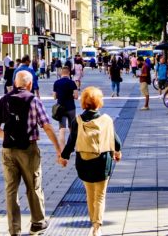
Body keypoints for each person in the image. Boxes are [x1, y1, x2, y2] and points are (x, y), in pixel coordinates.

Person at [0, 70, 62, 235]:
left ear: (15, 83)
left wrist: (7, 136)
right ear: (29, 84)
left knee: (11, 190)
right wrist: (58, 149)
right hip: (28, 149)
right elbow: (47, 127)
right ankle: (37, 223)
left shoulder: (4, 100)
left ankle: (14, 229)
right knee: (33, 186)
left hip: (8, 150)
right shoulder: (33, 100)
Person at [60, 86, 122, 236]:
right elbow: (116, 140)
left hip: (84, 162)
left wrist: (64, 156)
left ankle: (92, 221)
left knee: (90, 194)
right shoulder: (106, 120)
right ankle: (97, 226)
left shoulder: (78, 121)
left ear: (83, 102)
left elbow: (71, 142)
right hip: (102, 162)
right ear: (99, 102)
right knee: (100, 195)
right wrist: (117, 152)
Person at [52, 64, 78, 148]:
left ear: (61, 73)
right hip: (71, 107)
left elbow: (54, 97)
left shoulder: (56, 83)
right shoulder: (72, 82)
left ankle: (63, 149)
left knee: (62, 129)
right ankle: (71, 148)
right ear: (69, 73)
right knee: (72, 129)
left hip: (60, 108)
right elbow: (76, 96)